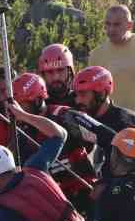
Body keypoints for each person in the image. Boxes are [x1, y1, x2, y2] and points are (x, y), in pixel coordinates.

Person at [6, 71, 99, 213]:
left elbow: (101, 135)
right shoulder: (22, 132)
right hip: (55, 202)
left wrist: (105, 182)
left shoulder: (64, 115)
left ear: (37, 100)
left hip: (85, 193)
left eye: (21, 105)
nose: (16, 111)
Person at [71, 67, 135, 169]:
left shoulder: (128, 123)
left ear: (101, 93)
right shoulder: (80, 119)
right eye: (76, 95)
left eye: (83, 94)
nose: (78, 101)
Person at [38, 43, 77, 107]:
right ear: (43, 75)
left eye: (60, 70)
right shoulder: (37, 105)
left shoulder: (82, 102)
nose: (56, 77)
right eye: (49, 72)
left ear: (69, 71)